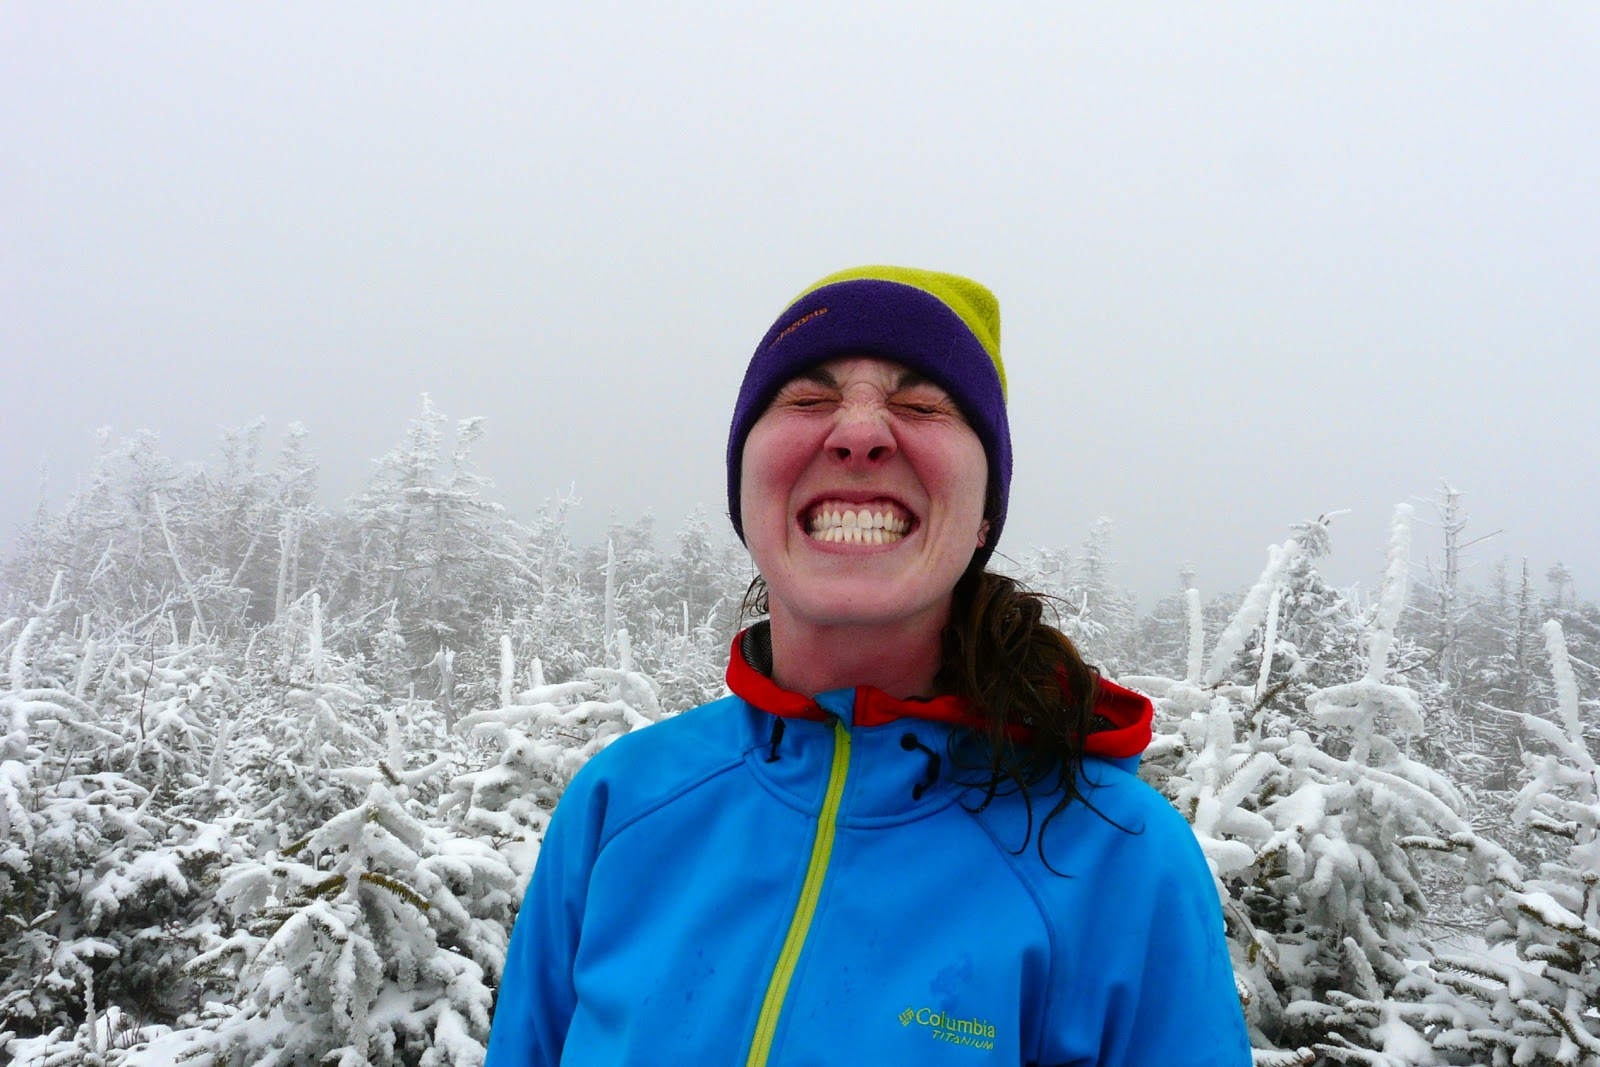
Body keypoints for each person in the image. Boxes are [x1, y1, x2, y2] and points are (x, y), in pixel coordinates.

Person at [484, 266, 1251, 1065]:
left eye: (922, 405)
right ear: (744, 488)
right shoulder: (621, 804)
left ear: (985, 512)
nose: (858, 433)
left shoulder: (1118, 859)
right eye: (806, 399)